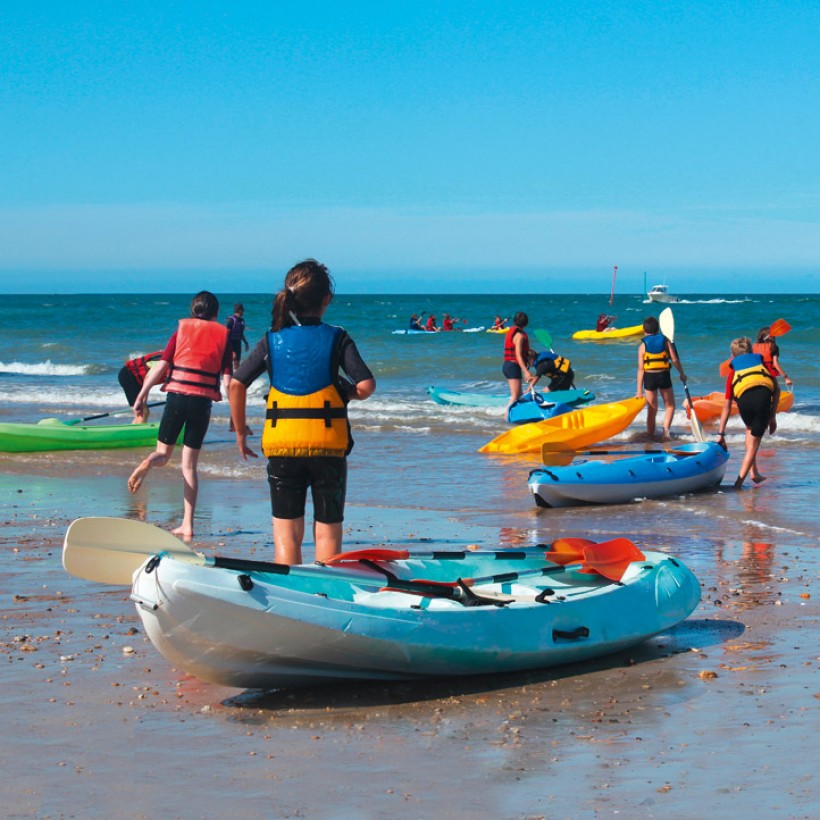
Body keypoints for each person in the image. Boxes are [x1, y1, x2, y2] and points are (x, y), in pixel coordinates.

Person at [229, 259, 376, 565]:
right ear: (327, 300)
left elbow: (236, 384)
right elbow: (365, 386)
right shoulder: (338, 337)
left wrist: (241, 431)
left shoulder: (271, 340)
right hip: (328, 449)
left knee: (287, 535)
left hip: (283, 447)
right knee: (327, 533)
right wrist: (343, 390)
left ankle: (290, 597)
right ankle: (327, 594)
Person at [127, 291, 232, 542]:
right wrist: (236, 416)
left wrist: (142, 393)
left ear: (192, 311)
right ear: (216, 315)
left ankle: (147, 463)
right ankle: (187, 524)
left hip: (176, 398)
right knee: (189, 465)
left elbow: (161, 367)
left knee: (162, 454)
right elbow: (228, 379)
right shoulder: (223, 337)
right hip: (201, 402)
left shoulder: (180, 332)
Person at [716, 336, 779, 489]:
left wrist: (721, 434)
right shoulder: (762, 363)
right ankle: (738, 484)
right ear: (751, 352)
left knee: (749, 429)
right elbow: (776, 389)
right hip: (762, 401)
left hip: (744, 404)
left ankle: (754, 472)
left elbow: (727, 406)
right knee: (753, 446)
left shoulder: (733, 372)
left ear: (733, 356)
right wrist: (772, 417)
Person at [636, 316, 686, 439]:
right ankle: (665, 432)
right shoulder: (665, 341)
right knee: (670, 406)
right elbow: (674, 359)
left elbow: (641, 369)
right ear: (658, 329)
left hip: (649, 378)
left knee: (652, 408)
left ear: (644, 330)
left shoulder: (642, 347)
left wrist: (639, 391)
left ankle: (650, 433)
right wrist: (682, 373)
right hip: (663, 376)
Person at [118, 350, 162, 423]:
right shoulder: (164, 361)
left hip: (137, 379)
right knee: (143, 412)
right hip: (129, 376)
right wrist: (142, 400)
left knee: (143, 411)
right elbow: (148, 378)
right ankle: (133, 433)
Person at [502, 312, 534, 408]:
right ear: (526, 323)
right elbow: (518, 355)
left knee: (519, 396)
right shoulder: (519, 336)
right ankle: (506, 417)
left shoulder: (512, 332)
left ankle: (518, 417)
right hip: (512, 367)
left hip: (508, 365)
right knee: (515, 397)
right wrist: (526, 372)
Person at [226, 303, 250, 368]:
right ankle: (227, 376)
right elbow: (225, 333)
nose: (243, 312)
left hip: (238, 343)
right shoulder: (231, 320)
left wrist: (246, 343)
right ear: (240, 310)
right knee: (230, 360)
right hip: (230, 343)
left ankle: (235, 376)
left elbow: (241, 334)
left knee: (237, 362)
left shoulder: (242, 321)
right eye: (242, 310)